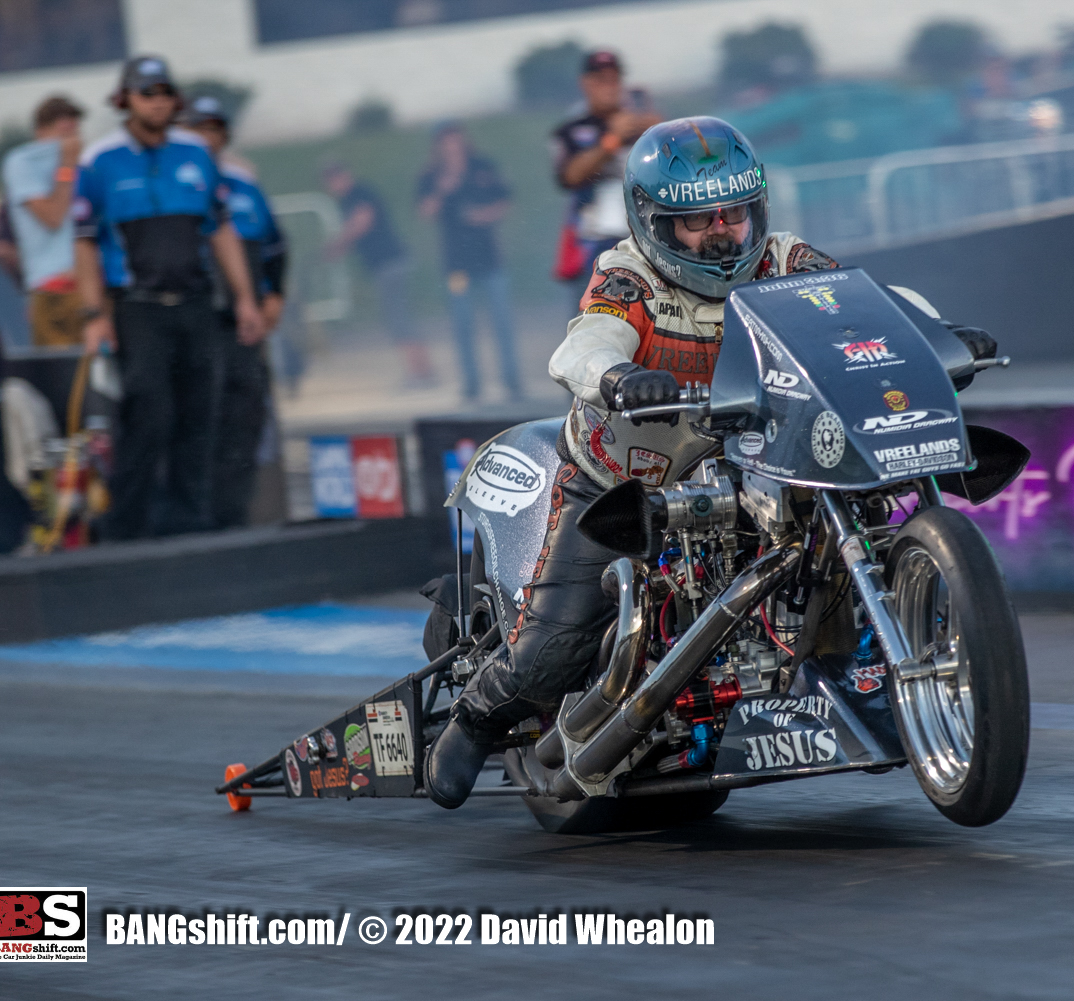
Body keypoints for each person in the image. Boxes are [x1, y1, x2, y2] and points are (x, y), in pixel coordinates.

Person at [424, 116, 999, 808]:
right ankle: (474, 717)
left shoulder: (784, 262)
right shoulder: (627, 277)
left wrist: (931, 329)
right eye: (698, 221)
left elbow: (868, 304)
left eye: (733, 213)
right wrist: (616, 376)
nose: (722, 232)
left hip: (750, 469)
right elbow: (579, 348)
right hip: (623, 487)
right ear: (655, 223)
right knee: (549, 653)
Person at [74, 55, 264, 540]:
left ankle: (188, 522)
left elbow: (219, 228)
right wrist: (95, 314)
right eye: (146, 93)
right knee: (149, 412)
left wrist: (244, 298)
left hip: (196, 301)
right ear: (125, 100)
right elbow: (84, 242)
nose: (156, 102)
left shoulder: (196, 153)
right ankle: (128, 526)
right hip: (137, 305)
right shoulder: (100, 161)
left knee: (200, 411)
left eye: (163, 93)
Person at [183, 95, 287, 529]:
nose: (208, 138)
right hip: (198, 321)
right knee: (202, 416)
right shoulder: (181, 186)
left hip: (243, 325)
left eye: (214, 129)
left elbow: (276, 246)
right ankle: (198, 515)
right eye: (198, 129)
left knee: (247, 413)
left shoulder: (244, 186)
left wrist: (274, 296)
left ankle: (238, 512)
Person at [416, 122, 521, 401]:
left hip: (490, 259)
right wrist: (442, 188)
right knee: (463, 323)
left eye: (456, 139)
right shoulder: (431, 175)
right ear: (438, 146)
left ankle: (511, 380)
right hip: (456, 264)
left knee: (501, 321)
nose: (452, 146)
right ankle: (472, 383)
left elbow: (505, 200)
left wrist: (484, 215)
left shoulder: (483, 166)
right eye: (446, 141)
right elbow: (425, 212)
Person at [550, 51, 661, 291]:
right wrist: (611, 141)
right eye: (601, 81)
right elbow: (569, 176)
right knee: (592, 315)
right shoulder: (572, 130)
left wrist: (660, 135)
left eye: (614, 80)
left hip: (645, 237)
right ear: (586, 84)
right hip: (594, 242)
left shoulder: (641, 126)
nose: (610, 88)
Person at [321, 161, 435, 386]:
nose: (333, 184)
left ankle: (419, 373)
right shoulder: (352, 197)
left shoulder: (359, 192)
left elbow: (363, 221)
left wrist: (338, 245)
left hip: (389, 263)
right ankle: (423, 370)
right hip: (388, 263)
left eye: (335, 178)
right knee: (401, 317)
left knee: (398, 318)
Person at [2, 95, 86, 348]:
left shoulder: (87, 161)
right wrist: (67, 164)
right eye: (63, 133)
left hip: (88, 283)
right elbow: (53, 217)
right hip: (52, 287)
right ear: (41, 131)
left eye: (74, 132)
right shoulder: (21, 163)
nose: (69, 141)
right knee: (59, 375)